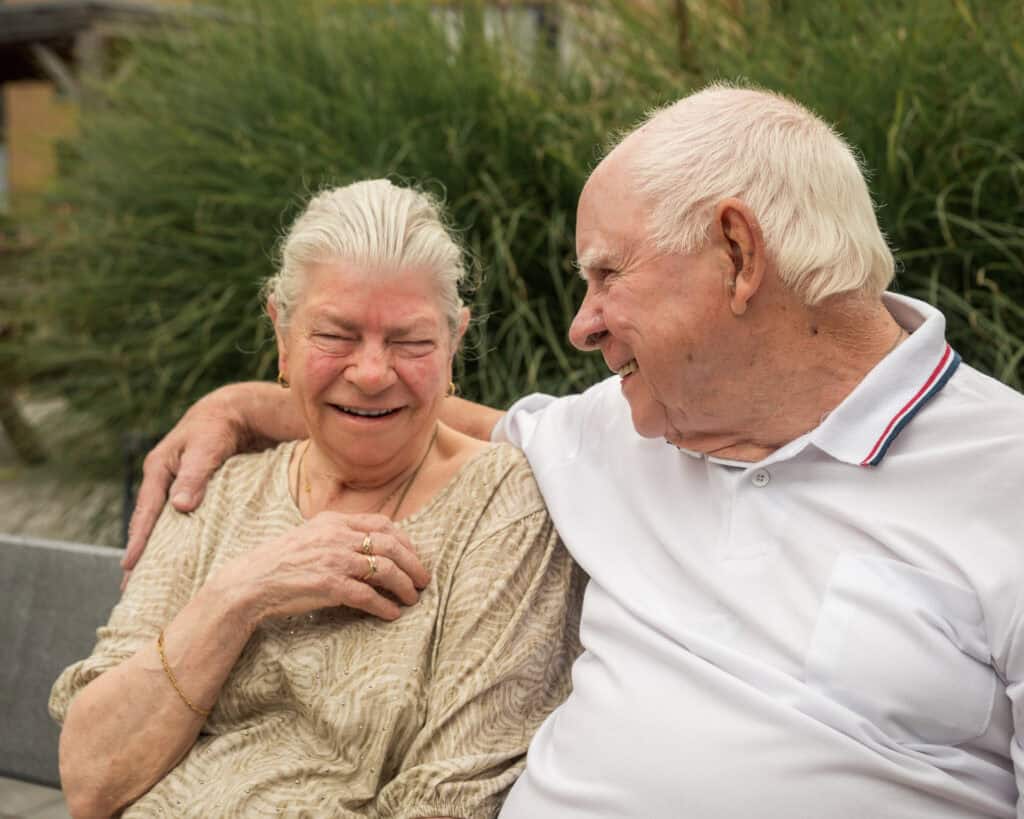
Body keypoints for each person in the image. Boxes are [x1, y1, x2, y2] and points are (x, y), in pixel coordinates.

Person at [125, 84, 1024, 818]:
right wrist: (248, 404)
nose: (582, 325)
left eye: (607, 274)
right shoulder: (623, 426)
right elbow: (410, 409)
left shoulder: (1002, 473)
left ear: (738, 253)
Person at [50, 180, 583, 819]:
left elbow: (451, 799)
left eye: (411, 341)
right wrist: (240, 596)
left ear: (454, 345)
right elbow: (91, 780)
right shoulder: (220, 486)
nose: (372, 373)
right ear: (282, 336)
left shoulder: (502, 507)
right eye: (335, 335)